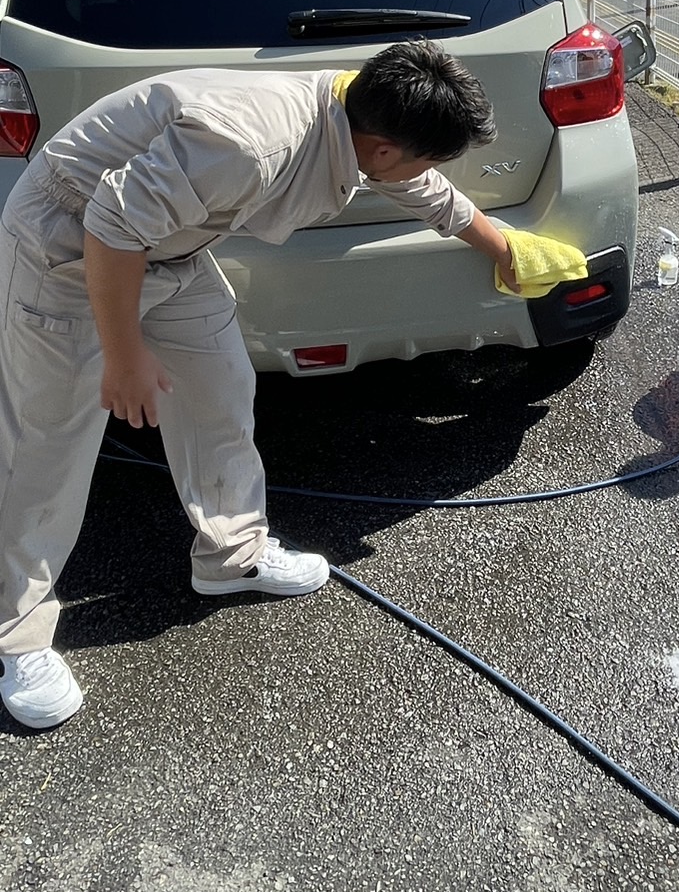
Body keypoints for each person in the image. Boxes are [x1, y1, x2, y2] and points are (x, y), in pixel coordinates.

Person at [0, 42, 518, 730]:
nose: (426, 171)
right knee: (47, 444)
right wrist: (123, 356)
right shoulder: (253, 142)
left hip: (170, 246)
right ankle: (17, 633)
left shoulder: (353, 112)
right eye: (427, 155)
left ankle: (230, 553)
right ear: (386, 147)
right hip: (70, 243)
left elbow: (415, 183)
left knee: (220, 387)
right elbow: (112, 224)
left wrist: (503, 245)